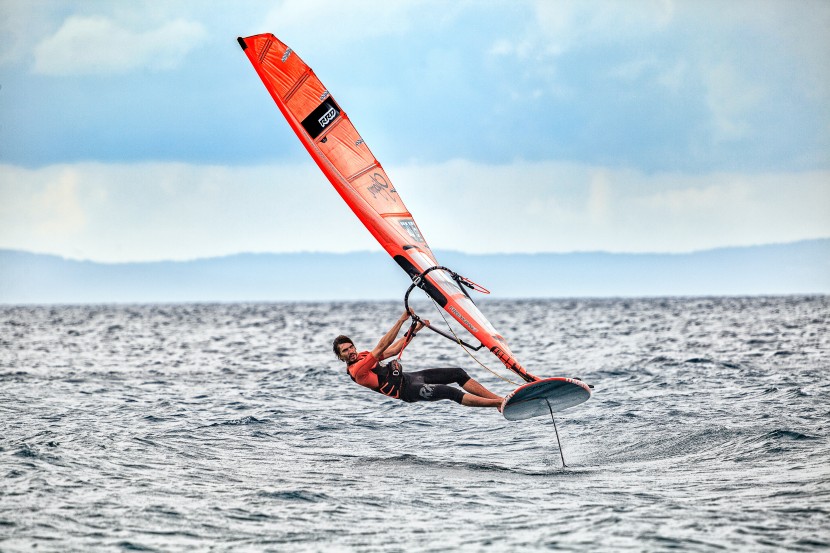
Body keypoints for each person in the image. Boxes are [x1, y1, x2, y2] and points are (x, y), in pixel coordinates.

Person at [333, 311, 503, 410]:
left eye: (350, 347)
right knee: (449, 392)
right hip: (408, 391)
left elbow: (394, 349)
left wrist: (413, 330)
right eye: (345, 351)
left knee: (457, 373)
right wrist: (401, 320)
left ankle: (498, 400)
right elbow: (383, 344)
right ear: (341, 357)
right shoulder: (357, 371)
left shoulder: (362, 355)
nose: (350, 352)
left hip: (411, 377)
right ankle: (499, 403)